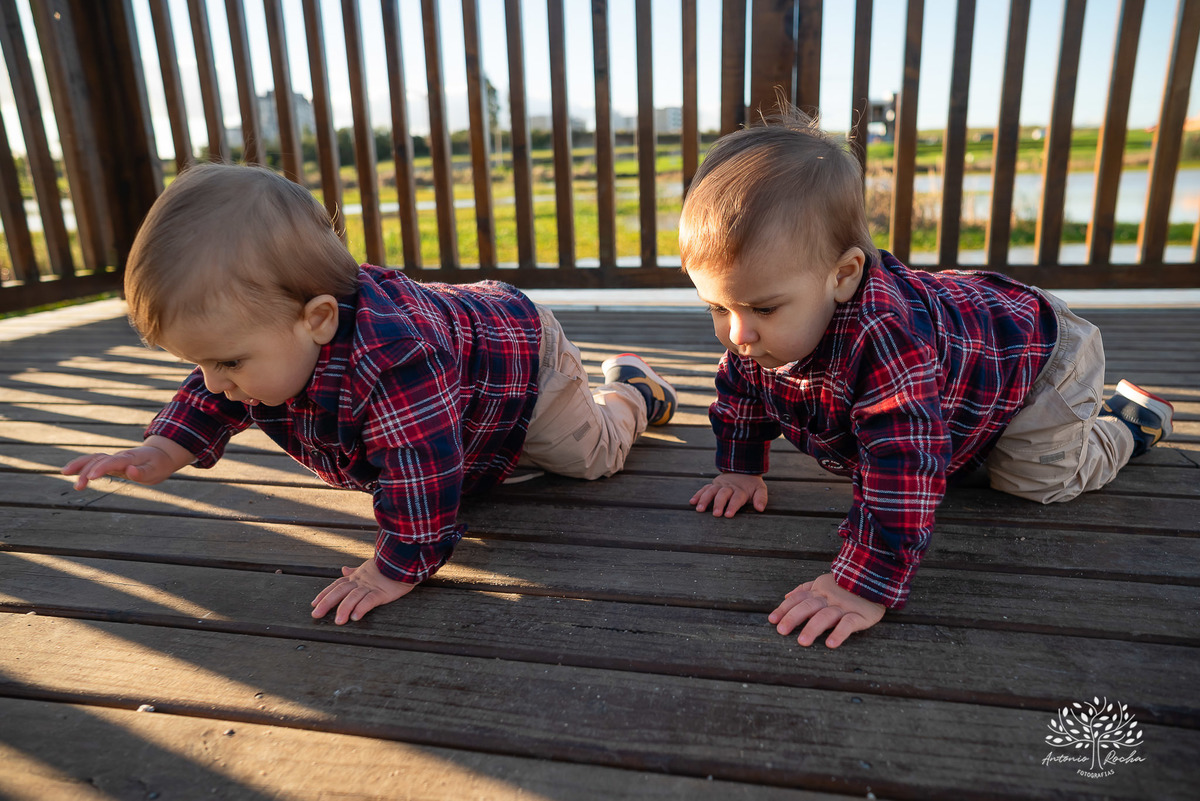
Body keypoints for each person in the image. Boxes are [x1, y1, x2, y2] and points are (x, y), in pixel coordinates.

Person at [62, 163, 676, 625]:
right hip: (466, 379)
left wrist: (392, 568)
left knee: (588, 457)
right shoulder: (268, 338)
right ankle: (507, 448)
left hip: (523, 363)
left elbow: (421, 470)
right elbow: (213, 396)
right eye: (200, 361)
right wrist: (162, 450)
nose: (214, 378)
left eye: (226, 361)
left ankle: (631, 391)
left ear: (320, 318)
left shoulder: (398, 360)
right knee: (487, 464)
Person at [680, 108, 1174, 649]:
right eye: (715, 307)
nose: (737, 332)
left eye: (764, 309)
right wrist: (741, 468)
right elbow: (741, 392)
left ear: (842, 275)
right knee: (948, 451)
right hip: (964, 367)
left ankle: (1127, 424)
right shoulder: (757, 333)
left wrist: (862, 583)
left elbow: (903, 460)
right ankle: (978, 443)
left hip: (1039, 362)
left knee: (1032, 481)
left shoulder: (887, 338)